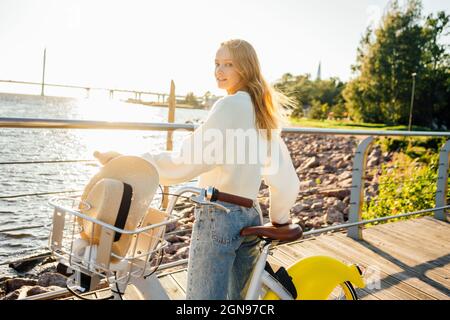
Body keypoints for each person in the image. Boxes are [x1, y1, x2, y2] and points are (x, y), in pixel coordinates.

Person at [94, 39, 300, 300]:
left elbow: (187, 161)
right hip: (251, 216)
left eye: (228, 65)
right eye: (216, 63)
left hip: (219, 216)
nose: (219, 71)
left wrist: (129, 161)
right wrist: (280, 218)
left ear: (246, 69)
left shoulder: (229, 106)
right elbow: (285, 179)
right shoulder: (262, 112)